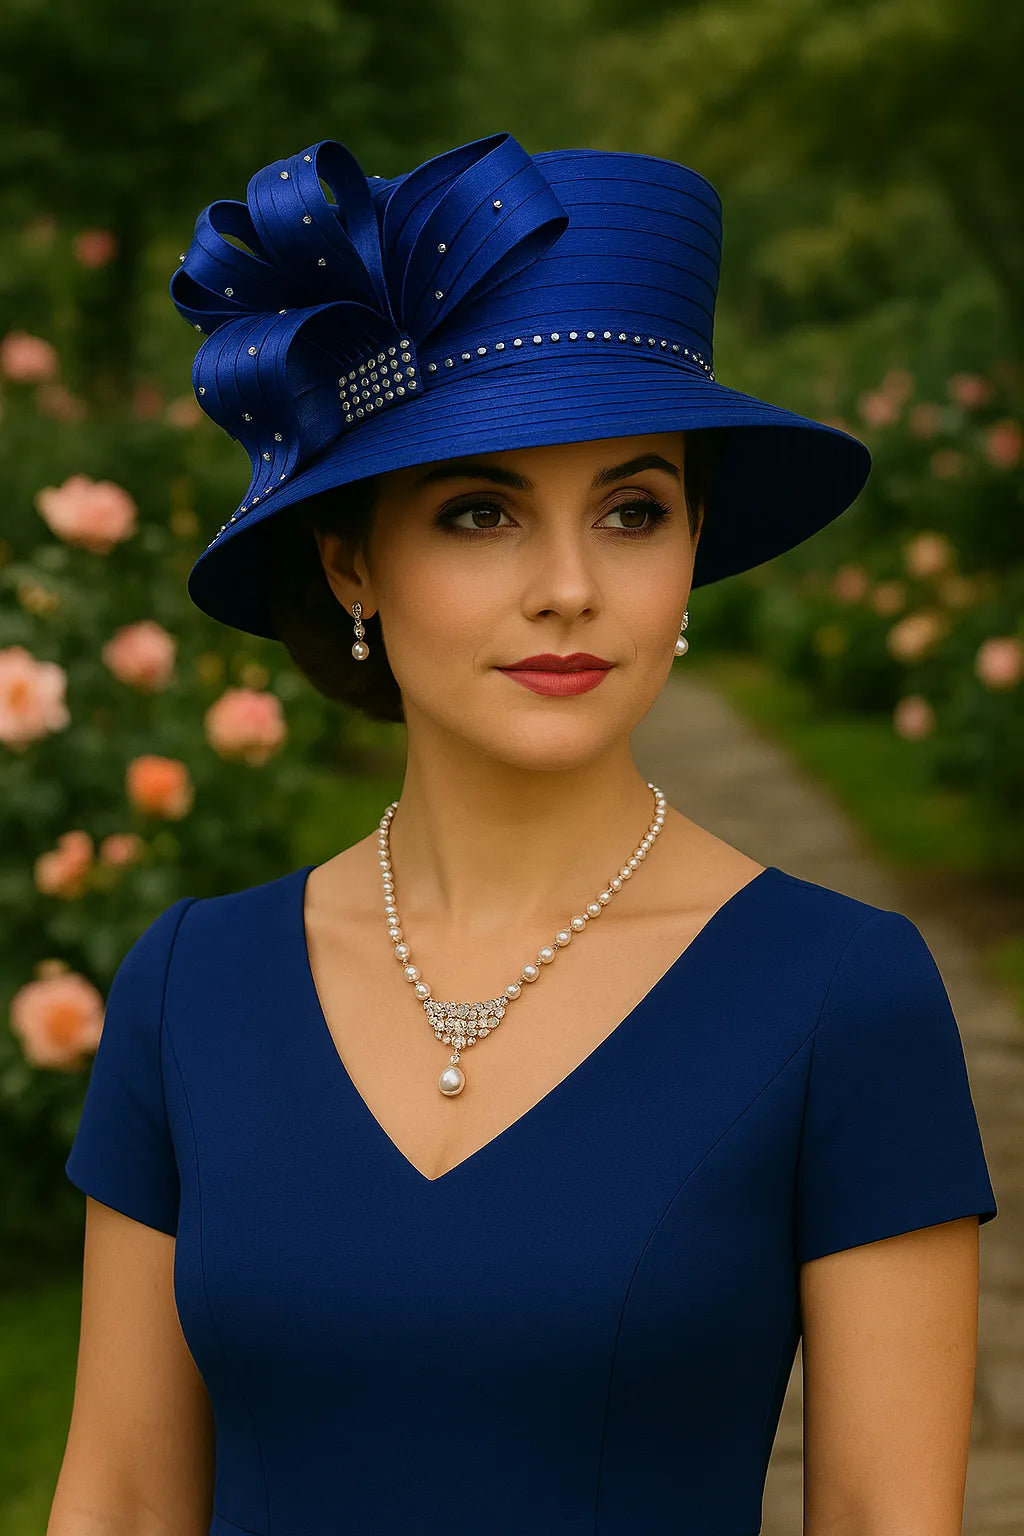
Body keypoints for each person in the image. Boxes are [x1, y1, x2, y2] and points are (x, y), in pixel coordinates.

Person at [52, 132, 997, 1536]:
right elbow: (122, 1499)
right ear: (352, 559)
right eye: (481, 511)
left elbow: (879, 1513)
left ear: (689, 553)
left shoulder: (840, 997)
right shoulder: (192, 988)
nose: (568, 587)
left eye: (632, 510)